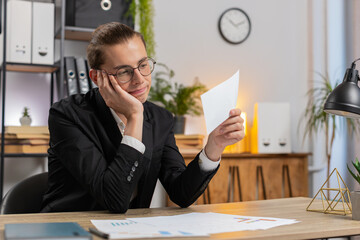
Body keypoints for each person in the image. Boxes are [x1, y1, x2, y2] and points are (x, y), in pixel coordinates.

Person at [41, 22, 245, 213]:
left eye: (143, 65)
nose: (140, 80)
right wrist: (135, 116)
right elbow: (114, 200)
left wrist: (214, 147)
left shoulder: (161, 119)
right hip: (69, 228)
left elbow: (181, 194)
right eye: (124, 72)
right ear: (97, 78)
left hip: (127, 231)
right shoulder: (67, 115)